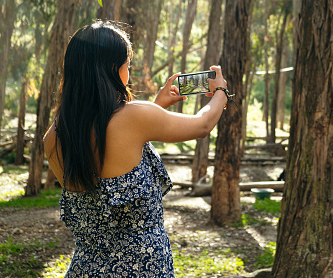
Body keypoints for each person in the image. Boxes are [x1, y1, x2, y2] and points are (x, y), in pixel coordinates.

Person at [43, 20, 229, 277]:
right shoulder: (134, 117)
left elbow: (115, 149)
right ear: (112, 68)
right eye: (127, 65)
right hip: (143, 267)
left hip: (86, 268)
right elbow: (202, 125)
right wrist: (220, 91)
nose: (127, 72)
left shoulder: (53, 137)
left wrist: (156, 106)